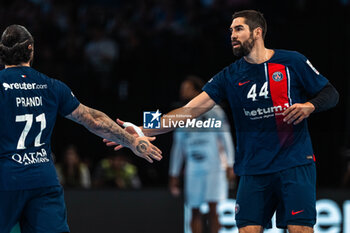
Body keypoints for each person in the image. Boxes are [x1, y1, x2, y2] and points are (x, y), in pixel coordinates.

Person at [107, 10, 339, 233]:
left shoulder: (292, 61)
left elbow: (330, 93)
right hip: (253, 169)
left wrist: (310, 106)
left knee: (300, 229)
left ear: (257, 32)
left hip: (294, 163)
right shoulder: (229, 76)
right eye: (231, 31)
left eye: (239, 29)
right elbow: (187, 111)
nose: (233, 35)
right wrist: (141, 128)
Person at [0, 24, 162, 233]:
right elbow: (93, 119)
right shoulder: (51, 85)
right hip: (43, 180)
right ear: (31, 49)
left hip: (6, 180)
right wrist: (132, 141)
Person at [168, 76, 235, 233]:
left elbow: (226, 138)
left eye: (186, 88)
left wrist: (230, 164)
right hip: (193, 168)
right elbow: (178, 147)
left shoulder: (215, 111)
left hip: (215, 167)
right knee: (194, 209)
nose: (182, 91)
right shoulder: (181, 115)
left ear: (197, 90)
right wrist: (174, 173)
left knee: (214, 209)